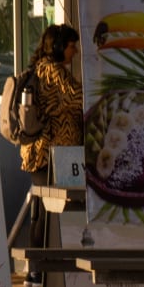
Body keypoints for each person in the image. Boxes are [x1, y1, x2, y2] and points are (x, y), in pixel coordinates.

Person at [21, 24, 83, 176]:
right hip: (53, 154)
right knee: (73, 198)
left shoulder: (41, 67)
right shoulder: (53, 71)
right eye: (72, 46)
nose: (75, 51)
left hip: (44, 154)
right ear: (58, 47)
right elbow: (80, 97)